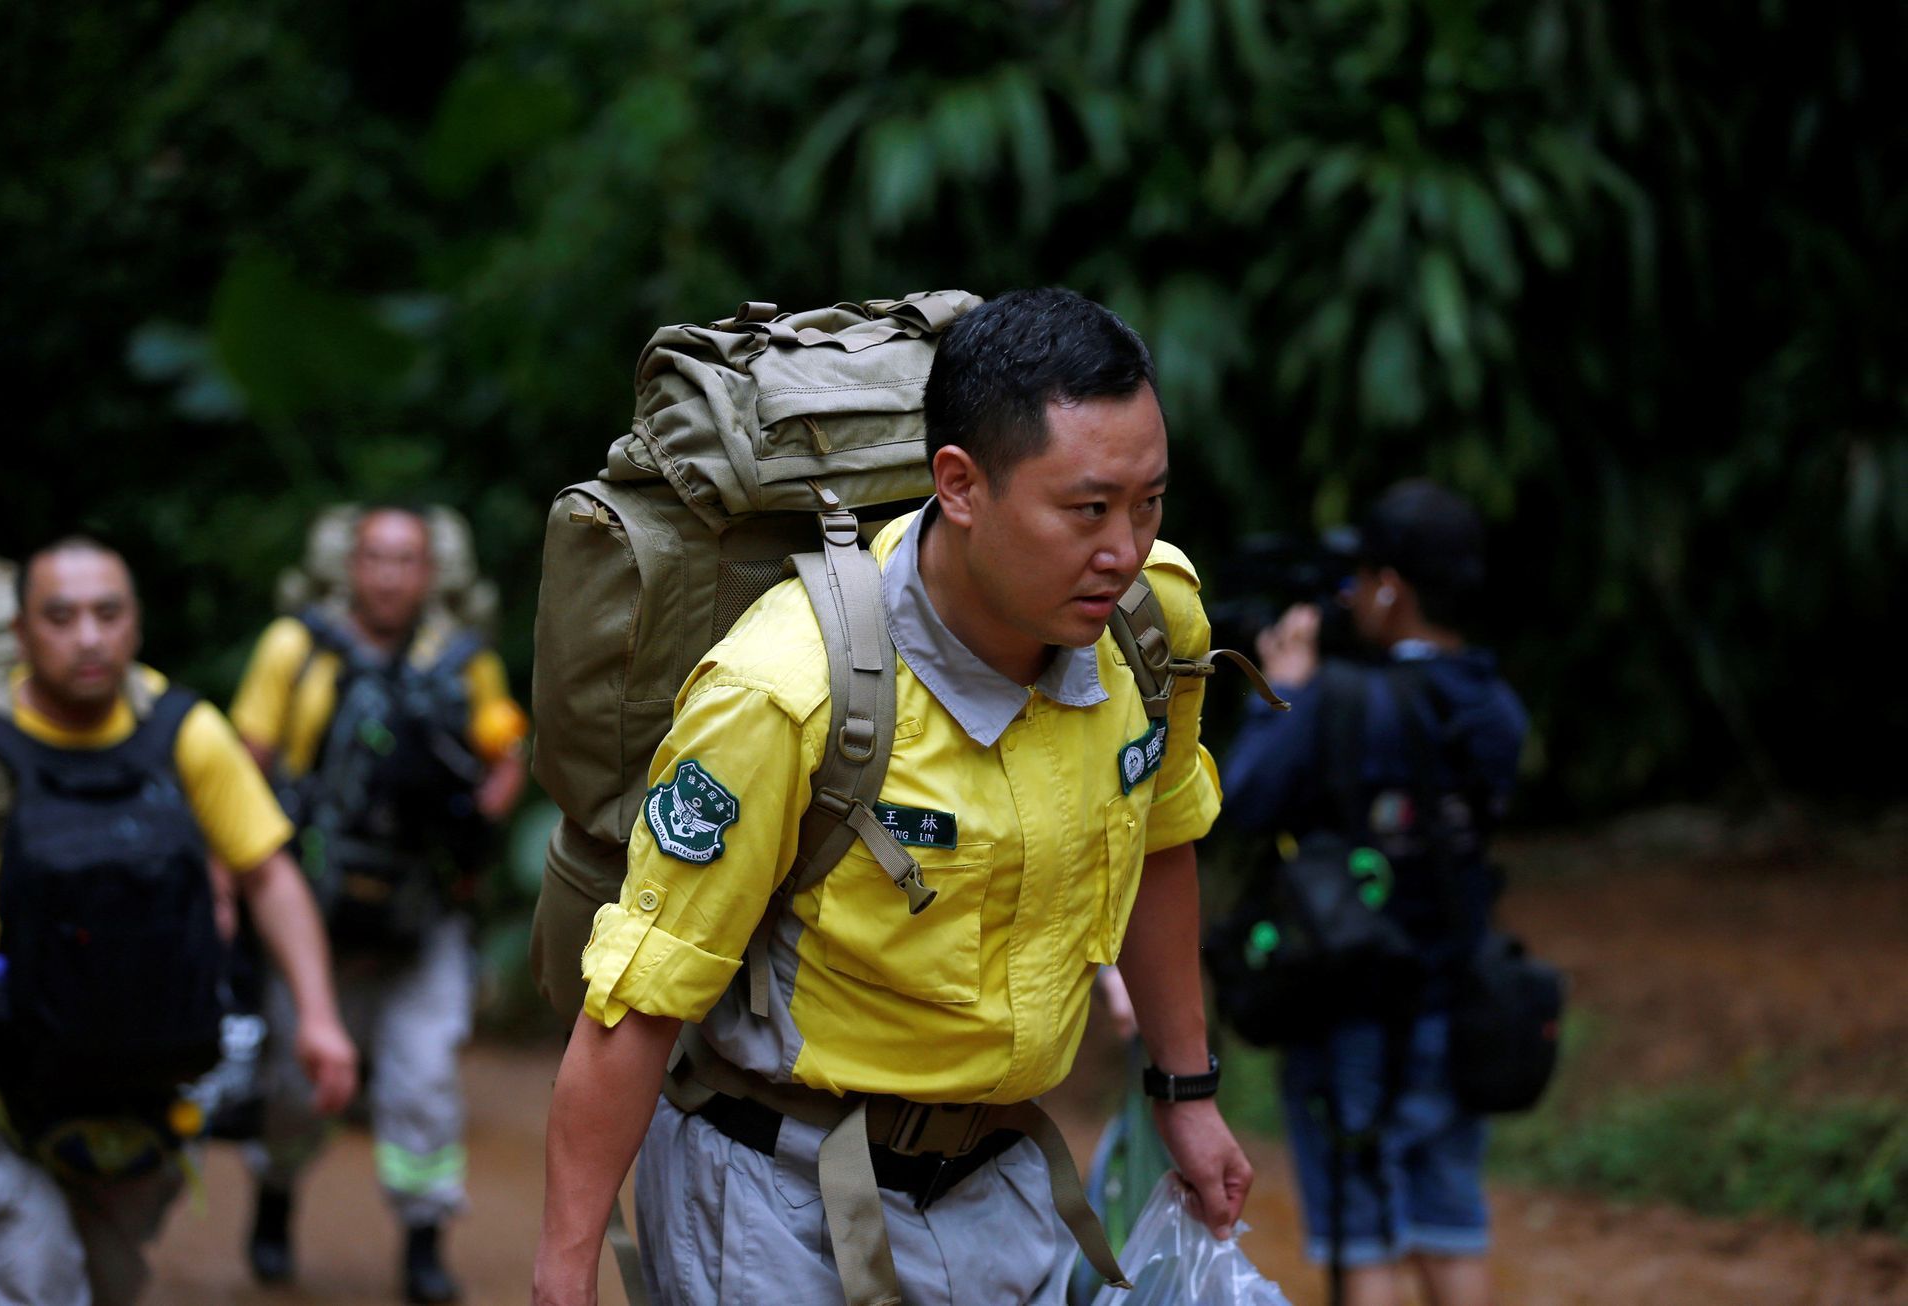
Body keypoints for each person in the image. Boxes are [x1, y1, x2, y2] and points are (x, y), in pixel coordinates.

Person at [532, 288, 1253, 1306]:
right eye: (1087, 509)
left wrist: (1184, 1091)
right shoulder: (786, 690)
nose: (1124, 549)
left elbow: (1162, 837)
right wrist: (563, 1275)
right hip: (770, 1201)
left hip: (997, 1182)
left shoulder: (1150, 627)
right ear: (959, 485)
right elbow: (640, 1004)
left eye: (1149, 503)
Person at [0, 536, 358, 1306]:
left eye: (108, 614)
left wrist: (319, 1015)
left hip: (142, 1069)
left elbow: (267, 872)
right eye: (61, 617)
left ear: (136, 623)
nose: (89, 637)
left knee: (110, 1278)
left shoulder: (184, 734)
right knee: (40, 1278)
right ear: (22, 633)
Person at [1216, 480, 1528, 1306]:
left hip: (1353, 1012)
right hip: (1454, 997)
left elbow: (1242, 797)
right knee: (1450, 1222)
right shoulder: (1497, 705)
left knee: (1366, 1236)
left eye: (1364, 579)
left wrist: (1283, 689)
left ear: (1392, 586)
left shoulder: (1340, 703)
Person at [230, 505, 528, 1304]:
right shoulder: (294, 651)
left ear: (432, 574)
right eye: (376, 557)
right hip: (312, 916)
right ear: (348, 565)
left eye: (408, 560)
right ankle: (276, 1196)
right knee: (297, 1088)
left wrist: (479, 821)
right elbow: (239, 766)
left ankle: (425, 1240)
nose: (390, 575)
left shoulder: (463, 662)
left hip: (421, 912)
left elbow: (506, 754)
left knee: (424, 1079)